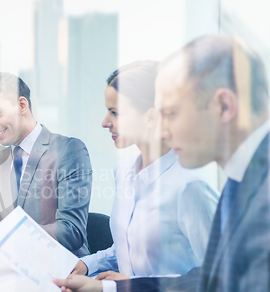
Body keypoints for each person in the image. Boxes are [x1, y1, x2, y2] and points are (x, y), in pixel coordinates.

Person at [55, 35, 270, 292]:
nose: (163, 129)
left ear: (223, 106)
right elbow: (207, 284)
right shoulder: (243, 180)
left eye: (171, 114)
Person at [72, 61, 219, 280]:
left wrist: (132, 288)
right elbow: (128, 248)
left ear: (150, 117)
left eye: (115, 113)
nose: (105, 122)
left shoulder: (190, 184)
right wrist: (86, 264)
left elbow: (217, 276)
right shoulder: (124, 169)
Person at [0, 72, 93, 256]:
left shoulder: (69, 150)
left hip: (63, 274)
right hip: (11, 271)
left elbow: (71, 232)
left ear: (22, 105)